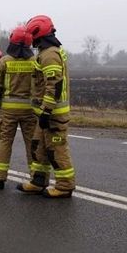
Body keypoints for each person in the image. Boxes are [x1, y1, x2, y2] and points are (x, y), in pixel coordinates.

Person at [17, 15, 75, 198]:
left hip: (53, 114)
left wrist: (47, 110)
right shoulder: (47, 51)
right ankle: (38, 181)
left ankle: (65, 186)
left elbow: (54, 85)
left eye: (32, 36)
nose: (31, 41)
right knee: (39, 147)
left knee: (56, 149)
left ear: (38, 34)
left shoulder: (49, 54)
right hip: (45, 113)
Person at [0, 27, 40, 189]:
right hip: (30, 112)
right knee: (31, 144)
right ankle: (35, 178)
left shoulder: (4, 62)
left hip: (8, 111)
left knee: (4, 142)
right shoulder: (34, 62)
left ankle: (0, 178)